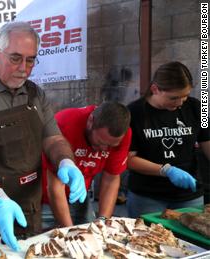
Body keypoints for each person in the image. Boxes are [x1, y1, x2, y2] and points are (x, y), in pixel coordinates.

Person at [0, 21, 87, 251]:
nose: (23, 67)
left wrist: (66, 161)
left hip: (28, 209)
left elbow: (54, 138)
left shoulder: (35, 94)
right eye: (15, 58)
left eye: (30, 60)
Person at [127, 61, 210, 218]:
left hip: (189, 195)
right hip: (147, 197)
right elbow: (128, 159)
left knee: (189, 240)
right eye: (173, 98)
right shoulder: (134, 112)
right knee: (148, 240)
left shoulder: (196, 107)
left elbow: (207, 143)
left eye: (185, 97)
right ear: (155, 89)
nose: (179, 103)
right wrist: (166, 170)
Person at [42, 102, 132, 227]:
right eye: (100, 142)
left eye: (111, 146)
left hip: (80, 196)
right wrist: (69, 230)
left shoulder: (124, 134)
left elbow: (111, 178)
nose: (104, 149)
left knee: (93, 236)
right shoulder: (65, 123)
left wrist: (102, 220)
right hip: (44, 199)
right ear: (90, 121)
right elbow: (55, 186)